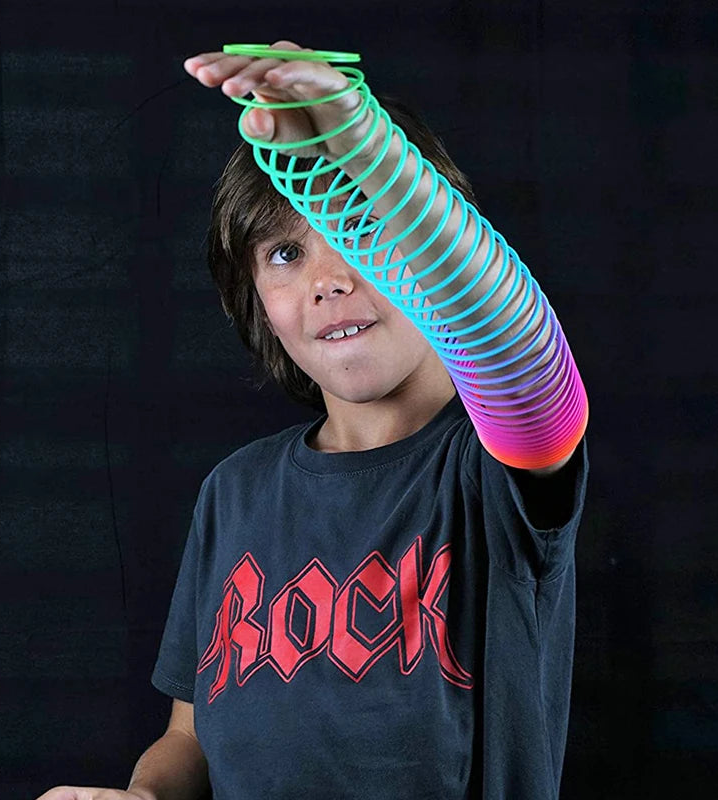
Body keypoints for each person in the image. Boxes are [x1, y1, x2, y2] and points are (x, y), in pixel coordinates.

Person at [37, 40, 589, 800]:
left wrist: (367, 149)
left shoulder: (493, 470)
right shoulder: (235, 492)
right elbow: (189, 737)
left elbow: (523, 359)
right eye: (286, 253)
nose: (329, 279)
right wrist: (145, 797)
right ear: (254, 296)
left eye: (362, 226)